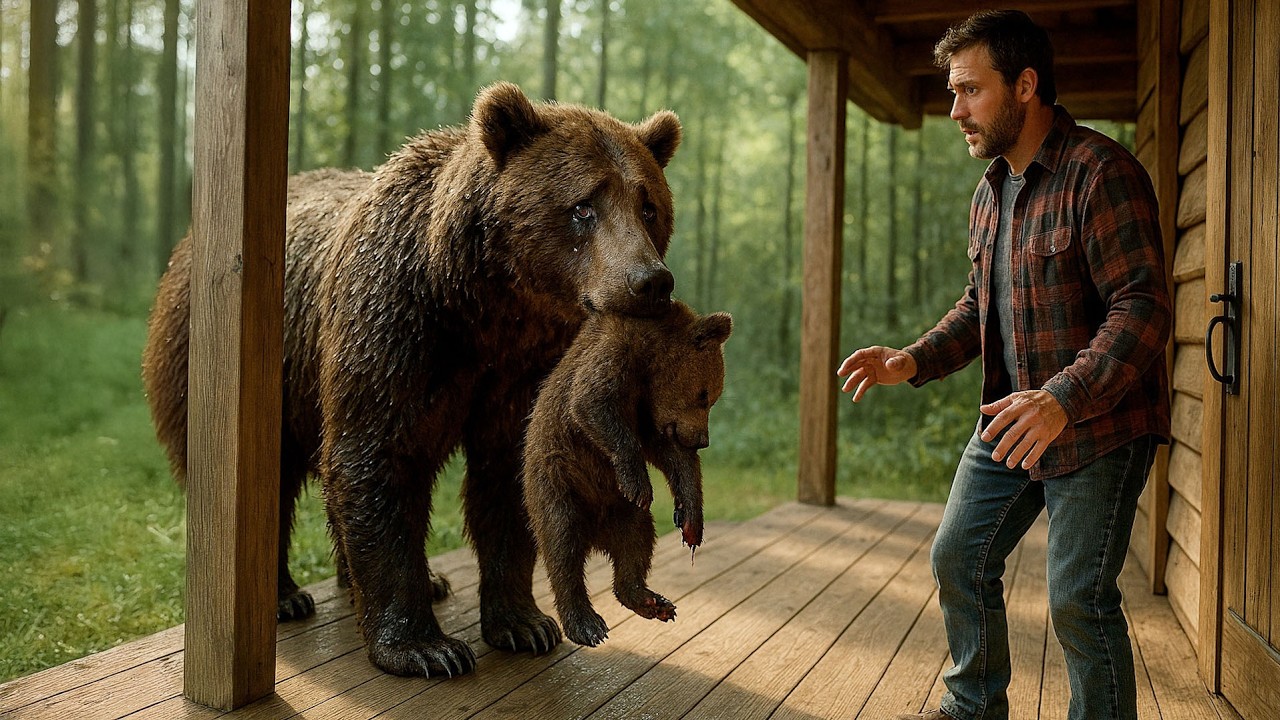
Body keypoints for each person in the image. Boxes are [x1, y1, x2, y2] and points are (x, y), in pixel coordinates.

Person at [836, 10, 1171, 720]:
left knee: (1078, 601)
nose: (955, 109)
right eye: (952, 92)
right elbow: (976, 306)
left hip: (1098, 426)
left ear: (1025, 85)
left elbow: (1141, 308)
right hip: (1010, 423)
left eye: (969, 90)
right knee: (959, 558)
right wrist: (911, 359)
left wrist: (1060, 399)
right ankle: (974, 708)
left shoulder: (1102, 173)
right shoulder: (991, 191)